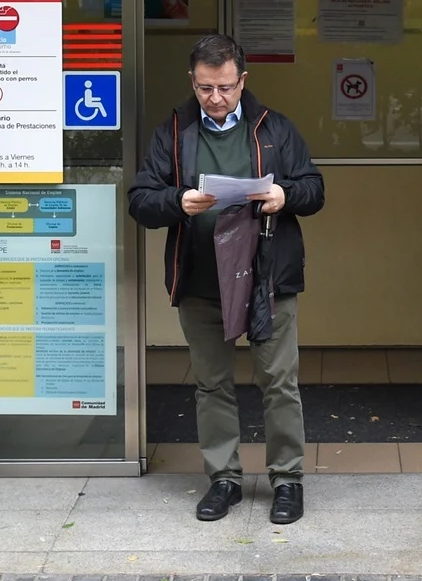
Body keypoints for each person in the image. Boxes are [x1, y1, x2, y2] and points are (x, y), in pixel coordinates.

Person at [129, 34, 324, 524]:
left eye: (224, 87)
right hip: (201, 278)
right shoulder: (173, 132)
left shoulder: (273, 128)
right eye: (204, 88)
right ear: (192, 82)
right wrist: (178, 201)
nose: (215, 98)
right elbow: (140, 199)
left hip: (265, 277)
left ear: (242, 80)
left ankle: (287, 481)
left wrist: (284, 195)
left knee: (278, 381)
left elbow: (314, 187)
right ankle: (224, 479)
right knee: (212, 384)